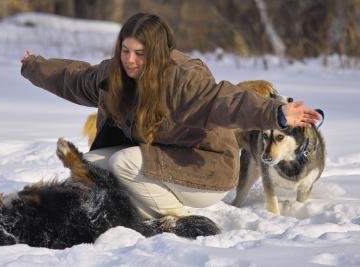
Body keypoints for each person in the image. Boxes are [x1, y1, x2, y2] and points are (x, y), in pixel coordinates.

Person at [21, 13, 321, 220]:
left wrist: (275, 113)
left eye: (140, 53)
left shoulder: (182, 77)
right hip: (163, 159)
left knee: (123, 163)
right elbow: (74, 78)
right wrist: (33, 66)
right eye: (125, 51)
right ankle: (120, 205)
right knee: (91, 166)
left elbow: (223, 101)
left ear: (158, 52)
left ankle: (169, 218)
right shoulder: (115, 74)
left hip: (206, 168)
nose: (130, 60)